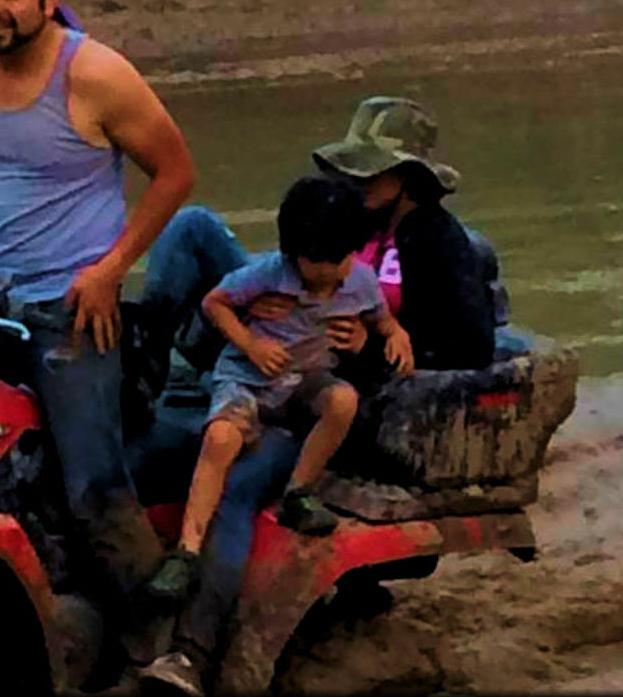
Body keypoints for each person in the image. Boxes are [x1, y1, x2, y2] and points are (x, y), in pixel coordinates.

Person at [0, 0, 194, 683]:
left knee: (92, 485)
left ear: (49, 1)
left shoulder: (94, 74)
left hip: (73, 308)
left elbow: (175, 171)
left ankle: (164, 646)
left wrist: (111, 269)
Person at [138, 96, 501, 696]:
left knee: (238, 487)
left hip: (334, 388)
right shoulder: (346, 223)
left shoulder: (435, 240)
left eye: (369, 172)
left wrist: (366, 345)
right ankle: (153, 350)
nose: (354, 182)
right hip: (289, 342)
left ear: (406, 177)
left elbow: (470, 347)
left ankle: (191, 654)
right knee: (193, 224)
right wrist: (258, 313)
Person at [144, 175, 413, 604]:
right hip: (250, 378)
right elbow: (215, 302)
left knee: (342, 400)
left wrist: (395, 334)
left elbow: (381, 315)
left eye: (336, 262)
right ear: (292, 253)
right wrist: (251, 342)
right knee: (220, 438)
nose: (326, 276)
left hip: (306, 378)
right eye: (314, 264)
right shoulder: (267, 274)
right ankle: (187, 550)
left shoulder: (359, 280)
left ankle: (298, 492)